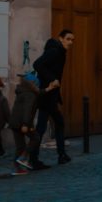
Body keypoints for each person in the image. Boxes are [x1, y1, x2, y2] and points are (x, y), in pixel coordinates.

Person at [33, 29, 75, 165]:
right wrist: (52, 79)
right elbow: (37, 64)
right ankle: (34, 158)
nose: (70, 42)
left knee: (54, 123)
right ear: (61, 38)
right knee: (43, 126)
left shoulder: (60, 51)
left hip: (51, 95)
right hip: (47, 94)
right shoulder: (55, 51)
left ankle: (60, 155)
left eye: (72, 40)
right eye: (68, 39)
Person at [10, 71, 40, 173]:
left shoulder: (21, 91)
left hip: (14, 122)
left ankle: (18, 168)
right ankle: (23, 157)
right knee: (35, 138)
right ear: (33, 84)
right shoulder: (30, 94)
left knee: (20, 146)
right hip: (22, 123)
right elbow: (27, 110)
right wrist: (26, 124)